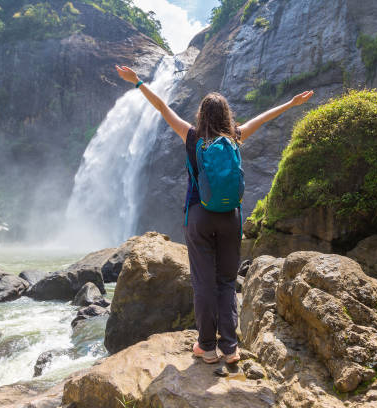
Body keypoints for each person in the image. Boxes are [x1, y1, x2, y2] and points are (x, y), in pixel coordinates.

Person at [115, 64, 313, 364]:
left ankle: (206, 347)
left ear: (201, 115)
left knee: (203, 283)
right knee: (225, 281)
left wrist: (138, 81)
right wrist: (291, 104)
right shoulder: (235, 136)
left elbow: (161, 107)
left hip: (199, 216)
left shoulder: (191, 136)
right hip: (231, 218)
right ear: (226, 115)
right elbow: (264, 117)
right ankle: (230, 347)